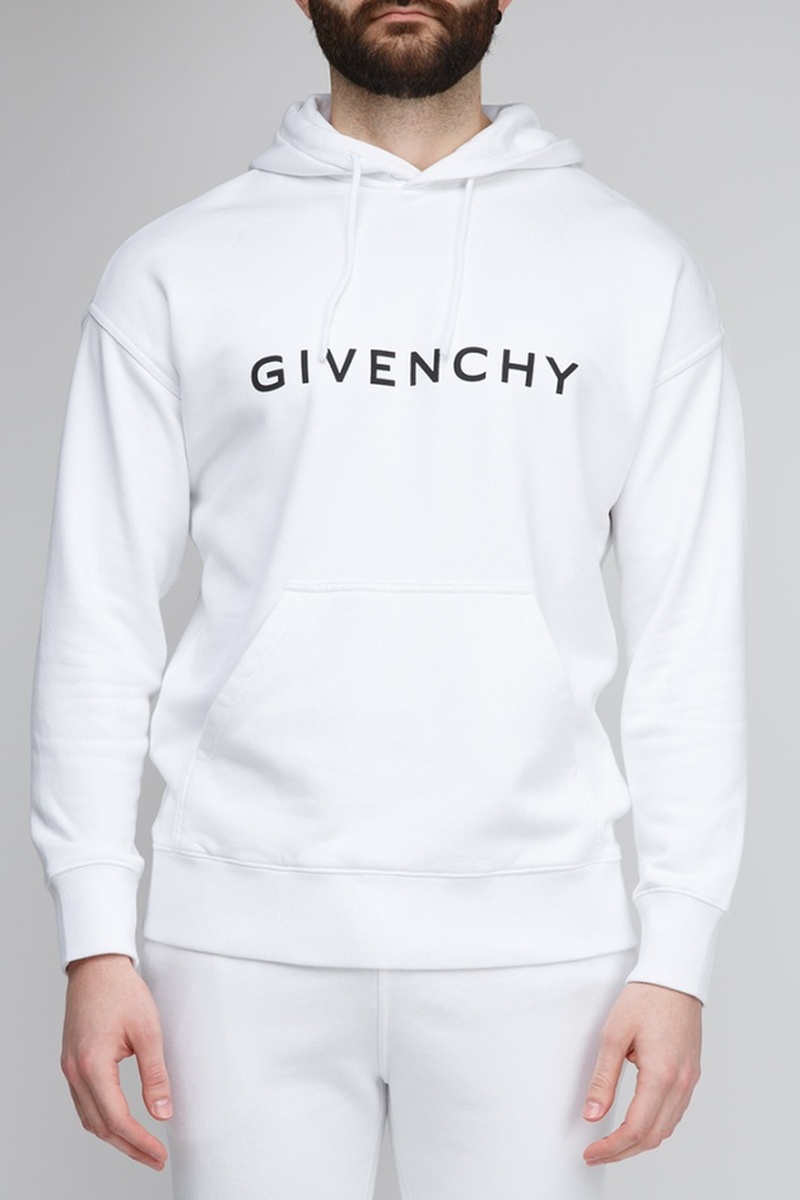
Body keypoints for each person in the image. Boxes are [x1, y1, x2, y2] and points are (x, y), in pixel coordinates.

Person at [29, 2, 748, 1197]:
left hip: (536, 947)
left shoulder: (632, 272)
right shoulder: (176, 268)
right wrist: (93, 937)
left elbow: (689, 639)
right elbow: (98, 618)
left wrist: (676, 950)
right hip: (237, 941)